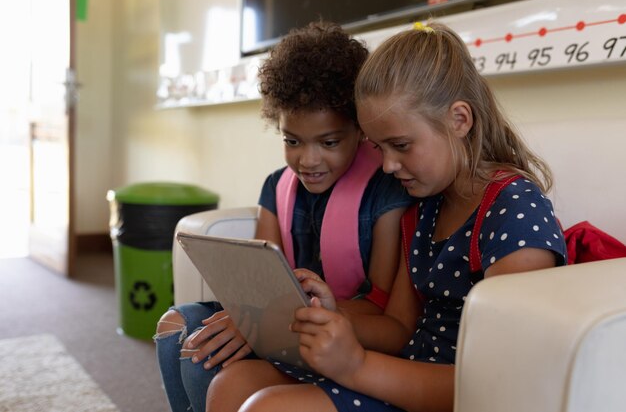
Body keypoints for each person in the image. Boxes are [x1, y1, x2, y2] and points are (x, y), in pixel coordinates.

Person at [204, 21, 568, 412]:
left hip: (454, 392)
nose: (389, 165)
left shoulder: (513, 210)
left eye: (401, 145)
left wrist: (357, 366)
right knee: (232, 385)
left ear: (459, 120)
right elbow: (397, 327)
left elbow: (503, 383)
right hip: (399, 367)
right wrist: (330, 316)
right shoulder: (424, 208)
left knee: (264, 408)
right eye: (379, 148)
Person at [153, 21, 415, 412]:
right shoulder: (277, 187)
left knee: (201, 363)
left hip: (339, 331)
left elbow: (379, 305)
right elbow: (261, 277)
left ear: (360, 130)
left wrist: (267, 319)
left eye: (329, 142)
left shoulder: (385, 192)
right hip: (282, 320)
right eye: (292, 141)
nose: (307, 161)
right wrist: (252, 315)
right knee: (174, 329)